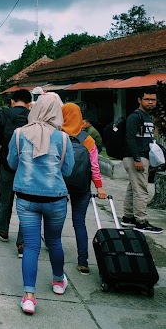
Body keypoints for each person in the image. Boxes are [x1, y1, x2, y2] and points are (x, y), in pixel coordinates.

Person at [7, 93, 75, 315]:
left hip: (26, 200)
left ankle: (28, 297)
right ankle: (58, 281)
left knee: (31, 245)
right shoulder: (63, 139)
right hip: (55, 199)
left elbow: (11, 163)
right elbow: (68, 170)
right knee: (54, 241)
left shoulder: (19, 135)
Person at [61, 103, 107, 275]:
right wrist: (100, 187)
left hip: (60, 186)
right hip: (82, 186)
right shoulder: (88, 139)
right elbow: (95, 167)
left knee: (54, 220)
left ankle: (53, 248)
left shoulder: (58, 136)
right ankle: (83, 261)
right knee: (79, 223)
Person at [0, 88, 31, 257]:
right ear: (29, 103)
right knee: (26, 203)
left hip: (7, 163)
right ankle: (22, 243)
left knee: (5, 198)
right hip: (28, 166)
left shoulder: (2, 115)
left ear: (12, 100)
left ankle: (3, 228)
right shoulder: (32, 116)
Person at [120, 88, 162, 234]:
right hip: (135, 157)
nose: (150, 102)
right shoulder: (135, 117)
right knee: (141, 190)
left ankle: (128, 217)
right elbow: (130, 138)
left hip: (141, 156)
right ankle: (141, 222)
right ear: (139, 100)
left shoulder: (147, 117)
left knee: (133, 187)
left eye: (153, 99)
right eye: (147, 99)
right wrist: (137, 158)